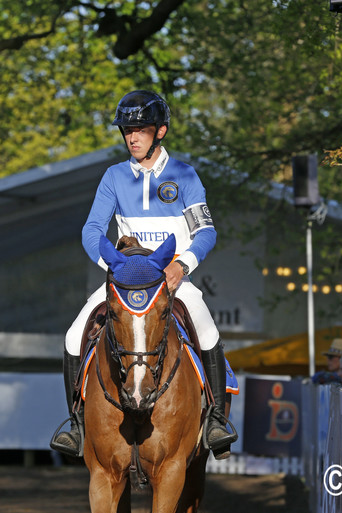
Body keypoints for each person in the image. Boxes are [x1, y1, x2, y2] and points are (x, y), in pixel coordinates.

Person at [50, 90, 237, 459]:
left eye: (140, 129)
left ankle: (215, 420)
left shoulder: (184, 175)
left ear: (160, 131)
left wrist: (181, 266)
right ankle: (75, 423)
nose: (132, 137)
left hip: (172, 281)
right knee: (74, 336)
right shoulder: (114, 177)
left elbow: (206, 232)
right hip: (125, 281)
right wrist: (117, 269)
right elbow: (91, 231)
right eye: (127, 130)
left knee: (208, 329)